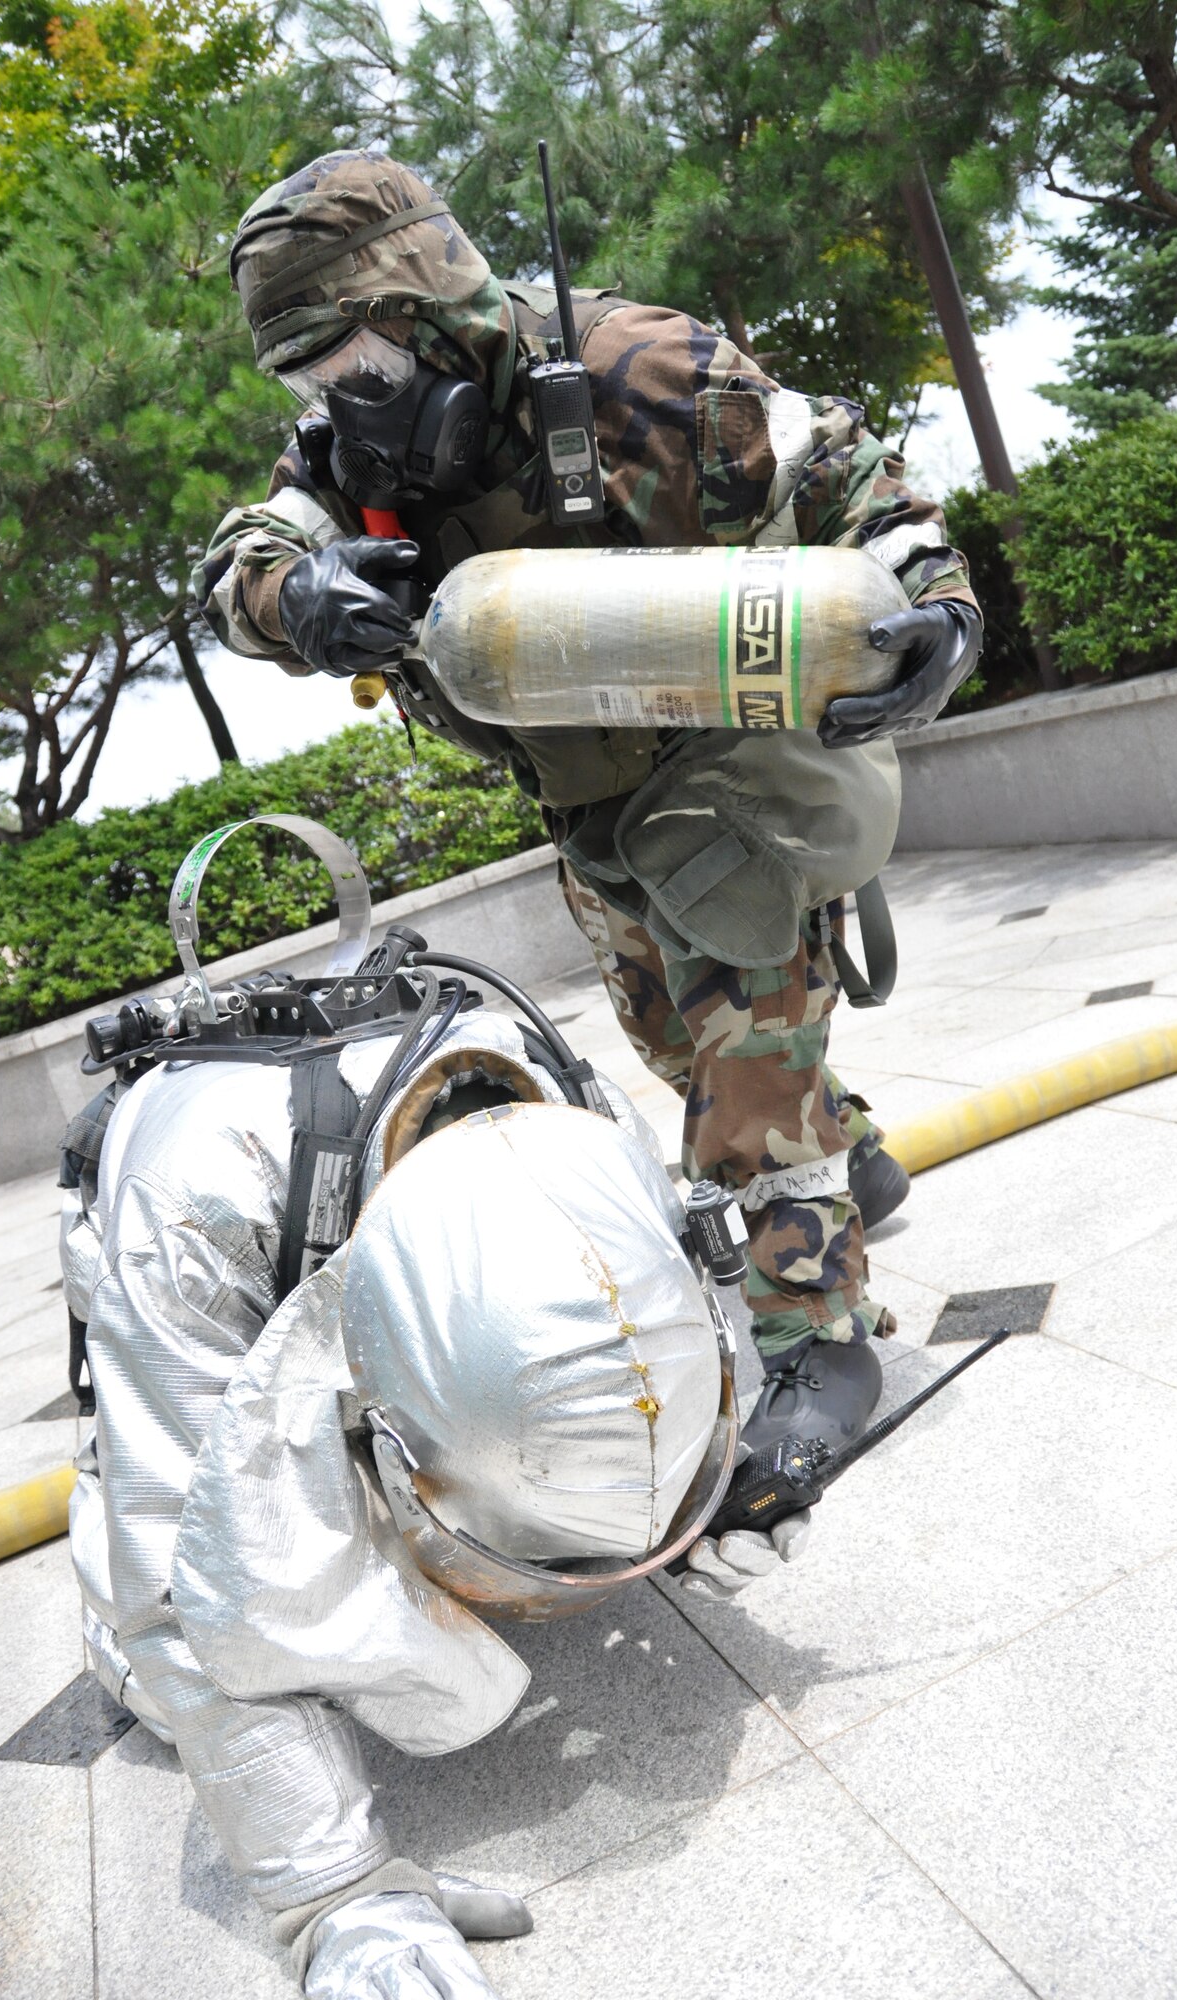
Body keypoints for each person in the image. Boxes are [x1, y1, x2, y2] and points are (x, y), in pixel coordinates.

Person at [197, 144, 982, 1447]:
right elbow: (246, 559)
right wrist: (302, 600)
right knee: (670, 1040)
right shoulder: (351, 460)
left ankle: (818, 1344)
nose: (349, 406)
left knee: (740, 1092)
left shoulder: (637, 370)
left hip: (735, 773)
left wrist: (939, 604)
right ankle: (853, 1148)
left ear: (429, 305)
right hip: (590, 813)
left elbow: (837, 460)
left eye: (364, 367)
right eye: (311, 379)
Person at [62, 968, 812, 1998]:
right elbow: (178, 1564)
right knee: (167, 1662)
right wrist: (332, 1890)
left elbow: (687, 1308)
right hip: (191, 1288)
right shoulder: (195, 1208)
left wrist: (711, 1487)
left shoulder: (557, 1094)